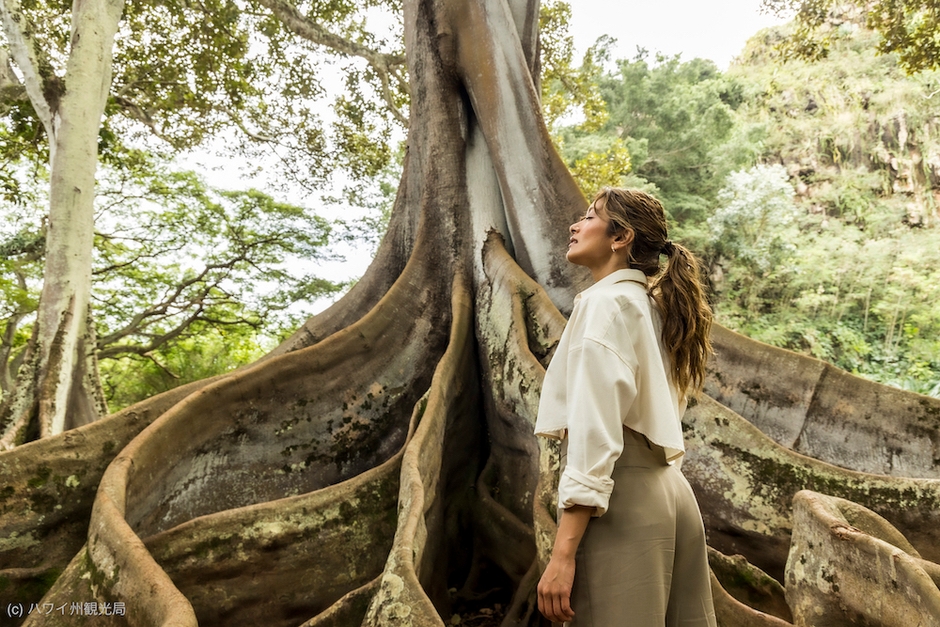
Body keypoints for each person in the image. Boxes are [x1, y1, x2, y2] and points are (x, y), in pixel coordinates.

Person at [534, 188, 717, 627]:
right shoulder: (653, 307)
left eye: (590, 216)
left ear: (621, 238)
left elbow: (595, 432)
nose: (575, 225)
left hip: (623, 504)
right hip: (671, 495)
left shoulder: (604, 305)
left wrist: (562, 554)